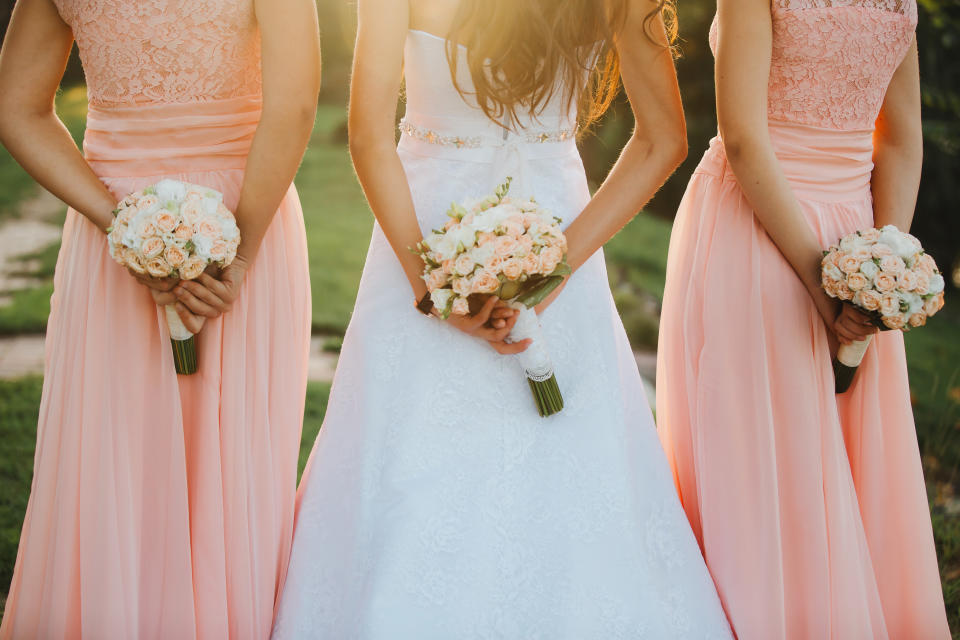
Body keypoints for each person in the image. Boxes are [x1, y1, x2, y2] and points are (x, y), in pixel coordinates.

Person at [272, 0, 732, 636]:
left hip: (429, 229)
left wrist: (434, 286)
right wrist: (558, 261)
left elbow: (369, 136)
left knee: (417, 453)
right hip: (547, 231)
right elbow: (663, 140)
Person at [0, 0, 319, 637]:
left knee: (113, 446)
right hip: (237, 209)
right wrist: (238, 258)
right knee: (230, 453)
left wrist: (120, 223)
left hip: (125, 220)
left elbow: (17, 108)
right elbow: (295, 106)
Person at [655, 0, 950, 635]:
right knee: (829, 448)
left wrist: (854, 285)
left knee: (753, 451)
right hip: (842, 230)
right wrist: (877, 263)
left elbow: (743, 138)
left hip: (761, 226)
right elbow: (900, 142)